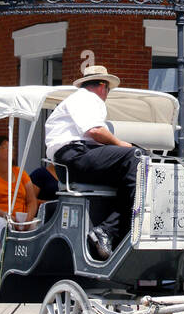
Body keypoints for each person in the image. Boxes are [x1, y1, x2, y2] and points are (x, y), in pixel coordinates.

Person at [44, 64, 142, 261]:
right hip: (74, 156)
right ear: (102, 86)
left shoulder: (82, 99)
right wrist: (123, 145)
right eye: (108, 90)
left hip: (76, 158)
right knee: (135, 158)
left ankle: (110, 230)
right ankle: (123, 228)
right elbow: (95, 131)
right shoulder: (87, 98)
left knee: (134, 166)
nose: (107, 94)